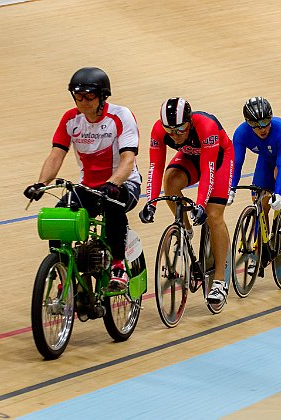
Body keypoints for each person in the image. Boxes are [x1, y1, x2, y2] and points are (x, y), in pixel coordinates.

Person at [23, 67, 142, 291]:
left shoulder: (121, 116)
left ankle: (118, 266)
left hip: (124, 183)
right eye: (79, 97)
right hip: (88, 185)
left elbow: (128, 160)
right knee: (58, 217)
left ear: (103, 96)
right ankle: (65, 271)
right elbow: (56, 154)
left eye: (89, 96)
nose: (84, 102)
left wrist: (112, 184)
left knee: (112, 203)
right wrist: (41, 184)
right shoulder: (71, 119)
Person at [139, 97, 234, 305]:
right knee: (170, 181)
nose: (175, 135)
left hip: (218, 159)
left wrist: (200, 205)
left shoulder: (206, 126)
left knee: (214, 215)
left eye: (180, 129)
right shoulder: (159, 131)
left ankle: (219, 280)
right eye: (170, 131)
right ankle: (186, 230)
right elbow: (155, 168)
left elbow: (208, 170)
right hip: (191, 157)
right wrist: (151, 203)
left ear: (189, 122)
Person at [228, 96, 281, 235]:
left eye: (265, 122)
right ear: (248, 123)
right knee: (259, 201)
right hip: (267, 158)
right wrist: (231, 187)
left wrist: (277, 194)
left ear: (270, 117)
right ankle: (263, 248)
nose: (262, 128)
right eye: (256, 124)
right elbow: (237, 163)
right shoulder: (241, 133)